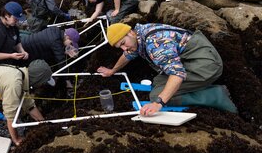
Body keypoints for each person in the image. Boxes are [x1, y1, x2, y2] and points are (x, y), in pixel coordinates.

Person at [97, 23, 237, 115]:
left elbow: (177, 73)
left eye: (123, 43)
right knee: (159, 81)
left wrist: (158, 103)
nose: (124, 48)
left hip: (206, 65)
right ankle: (199, 87)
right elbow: (128, 54)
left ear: (131, 33)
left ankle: (216, 95)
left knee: (156, 94)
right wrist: (112, 70)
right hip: (193, 57)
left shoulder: (155, 44)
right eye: (119, 47)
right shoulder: (139, 35)